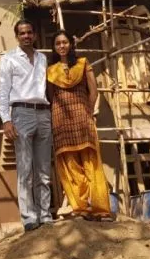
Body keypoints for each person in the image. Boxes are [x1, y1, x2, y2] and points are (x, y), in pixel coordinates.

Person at [46, 31, 113, 221]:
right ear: (54, 47)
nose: (61, 46)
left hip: (82, 117)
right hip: (61, 120)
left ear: (71, 44)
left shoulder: (83, 64)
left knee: (90, 161)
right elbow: (51, 97)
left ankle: (101, 208)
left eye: (65, 42)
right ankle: (80, 206)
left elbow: (93, 91)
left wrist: (88, 111)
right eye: (58, 43)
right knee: (70, 164)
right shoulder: (51, 71)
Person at [0, 19, 53, 232]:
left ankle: (45, 215)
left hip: (43, 113)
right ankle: (29, 218)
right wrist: (6, 119)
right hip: (21, 113)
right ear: (17, 36)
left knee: (44, 169)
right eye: (22, 33)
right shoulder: (9, 59)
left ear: (35, 35)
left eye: (30, 32)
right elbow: (3, 91)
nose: (27, 36)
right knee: (25, 168)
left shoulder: (42, 59)